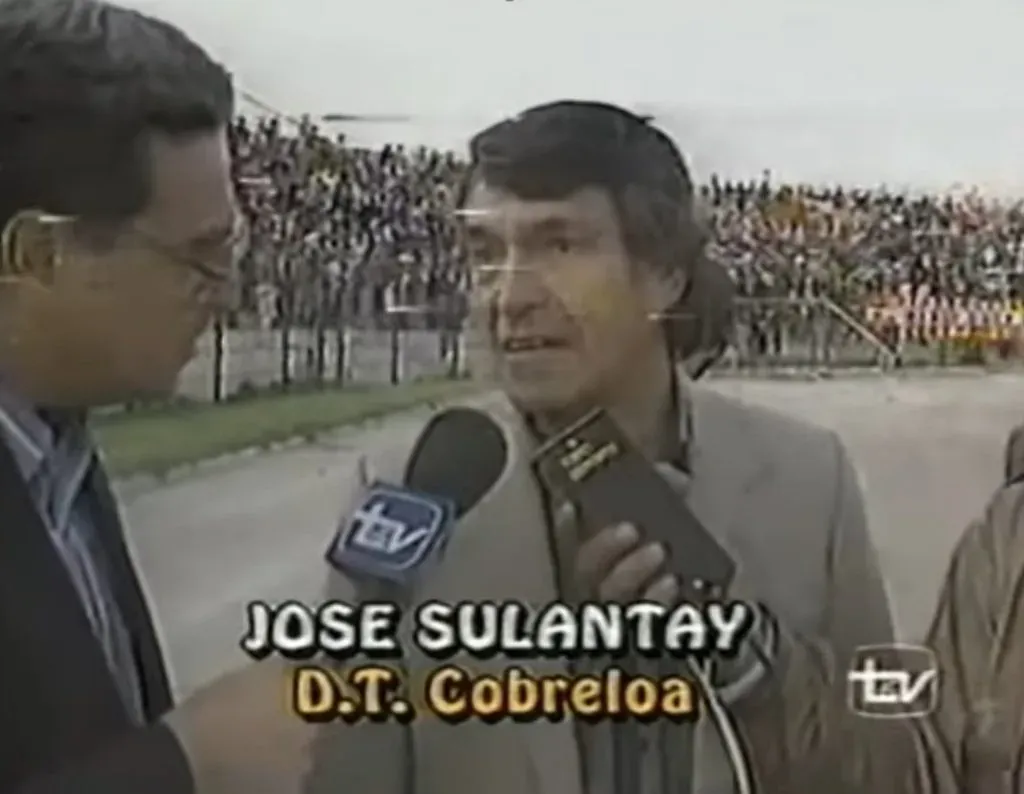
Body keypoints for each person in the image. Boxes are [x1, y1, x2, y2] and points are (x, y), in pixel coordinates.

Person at [309, 100, 895, 794]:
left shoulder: (810, 479)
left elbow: (889, 743)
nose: (509, 297)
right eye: (486, 254)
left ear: (664, 274)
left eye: (559, 246)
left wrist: (748, 665)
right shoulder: (412, 491)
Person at [0, 0, 312, 791]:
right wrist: (188, 760)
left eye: (231, 245)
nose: (227, 288)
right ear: (39, 254)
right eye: (197, 257)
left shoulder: (58, 437)